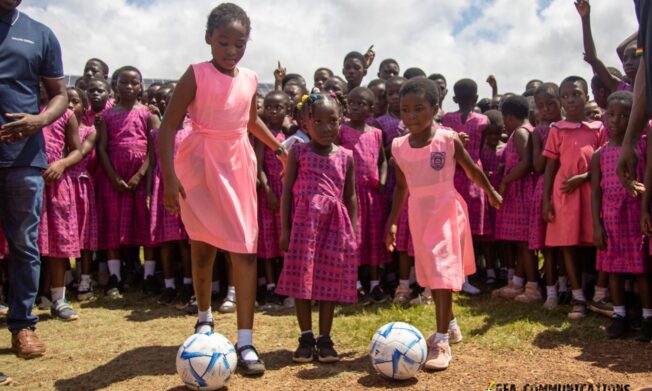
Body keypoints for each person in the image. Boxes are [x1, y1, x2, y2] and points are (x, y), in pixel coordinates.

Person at [158, 3, 288, 376]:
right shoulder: (195, 74)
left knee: (245, 251)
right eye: (223, 43)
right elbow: (167, 127)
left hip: (236, 165)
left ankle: (245, 341)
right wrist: (169, 178)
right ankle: (204, 318)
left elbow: (250, 121)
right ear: (208, 39)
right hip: (198, 166)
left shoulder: (249, 78)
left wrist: (279, 149)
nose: (231, 52)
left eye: (239, 44)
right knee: (202, 250)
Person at [386, 78, 502, 370]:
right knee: (429, 273)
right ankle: (449, 325)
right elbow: (401, 187)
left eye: (419, 109)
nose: (411, 116)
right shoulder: (398, 146)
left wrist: (490, 191)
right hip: (418, 213)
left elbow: (472, 169)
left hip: (446, 211)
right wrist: (392, 222)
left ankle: (441, 341)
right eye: (405, 109)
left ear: (436, 108)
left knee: (441, 272)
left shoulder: (447, 139)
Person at [0, 0, 68, 360]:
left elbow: (60, 94)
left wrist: (39, 121)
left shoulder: (39, 34)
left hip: (23, 159)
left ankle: (23, 325)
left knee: (24, 245)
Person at [276, 92, 357, 363]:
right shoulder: (298, 151)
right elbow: (287, 191)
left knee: (328, 281)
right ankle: (306, 336)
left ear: (341, 121)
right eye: (318, 121)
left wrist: (353, 232)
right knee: (301, 281)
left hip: (334, 226)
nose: (326, 128)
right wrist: (285, 229)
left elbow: (351, 196)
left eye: (332, 121)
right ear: (305, 122)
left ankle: (325, 339)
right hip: (303, 225)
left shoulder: (346, 156)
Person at [542, 76, 606, 320]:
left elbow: (604, 162)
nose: (571, 100)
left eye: (576, 94)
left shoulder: (598, 129)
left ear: (586, 97)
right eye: (565, 96)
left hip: (591, 191)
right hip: (564, 192)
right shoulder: (556, 129)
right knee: (568, 243)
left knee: (595, 242)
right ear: (561, 101)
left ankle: (599, 295)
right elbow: (550, 166)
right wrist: (547, 200)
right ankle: (578, 297)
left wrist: (585, 177)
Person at [96, 66, 160, 297]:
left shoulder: (147, 114)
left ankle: (149, 276)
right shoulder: (107, 116)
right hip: (114, 176)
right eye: (124, 82)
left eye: (134, 83)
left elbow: (154, 150)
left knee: (145, 224)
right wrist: (114, 177)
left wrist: (140, 175)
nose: (129, 87)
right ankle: (115, 277)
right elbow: (101, 148)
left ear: (141, 86)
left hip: (140, 177)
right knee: (113, 225)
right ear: (115, 85)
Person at [594, 91, 650, 339]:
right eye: (612, 114)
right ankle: (619, 315)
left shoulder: (642, 146)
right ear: (604, 116)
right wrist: (597, 225)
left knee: (641, 271)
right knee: (613, 269)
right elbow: (595, 192)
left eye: (624, 115)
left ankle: (648, 317)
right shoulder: (600, 155)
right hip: (611, 219)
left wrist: (645, 210)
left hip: (636, 215)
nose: (616, 120)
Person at [339, 87, 388, 303]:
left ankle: (375, 284)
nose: (355, 106)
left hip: (372, 194)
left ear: (370, 108)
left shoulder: (376, 133)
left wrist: (383, 180)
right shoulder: (341, 131)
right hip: (350, 194)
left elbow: (383, 160)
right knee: (354, 239)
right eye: (352, 103)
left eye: (361, 103)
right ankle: (355, 283)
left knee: (373, 238)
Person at [442, 78, 490, 294]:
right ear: (476, 98)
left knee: (459, 228)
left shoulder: (449, 118)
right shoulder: (481, 119)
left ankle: (463, 276)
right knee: (462, 228)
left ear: (454, 98)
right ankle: (462, 277)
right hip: (465, 176)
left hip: (459, 176)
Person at [492, 95, 539, 303]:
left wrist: (505, 181)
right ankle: (519, 282)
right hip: (520, 191)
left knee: (525, 243)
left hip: (522, 192)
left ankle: (533, 287)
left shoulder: (520, 132)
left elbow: (526, 162)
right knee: (522, 243)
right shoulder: (526, 130)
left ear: (509, 117)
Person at [148, 86, 192, 305]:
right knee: (166, 241)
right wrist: (149, 193)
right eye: (167, 100)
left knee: (186, 240)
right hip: (162, 186)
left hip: (187, 189)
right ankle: (168, 284)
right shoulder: (156, 134)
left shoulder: (192, 132)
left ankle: (187, 282)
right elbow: (152, 164)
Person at [529, 83, 566, 309]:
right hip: (545, 188)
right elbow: (537, 165)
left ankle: (566, 287)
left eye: (550, 103)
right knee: (549, 246)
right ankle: (551, 292)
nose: (546, 109)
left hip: (567, 187)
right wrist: (549, 142)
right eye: (541, 106)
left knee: (567, 244)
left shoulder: (570, 127)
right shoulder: (539, 132)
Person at [255, 90, 291, 306]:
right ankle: (270, 286)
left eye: (278, 107)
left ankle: (287, 286)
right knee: (269, 242)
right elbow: (258, 167)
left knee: (285, 242)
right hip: (269, 195)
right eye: (269, 107)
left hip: (287, 193)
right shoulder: (262, 135)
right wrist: (268, 191)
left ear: (287, 110)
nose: (273, 111)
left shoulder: (290, 134)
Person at [66, 87, 98, 301]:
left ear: (84, 107)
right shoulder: (54, 129)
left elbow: (80, 153)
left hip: (81, 185)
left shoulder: (90, 131)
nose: (69, 105)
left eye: (75, 101)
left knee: (84, 235)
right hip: (59, 184)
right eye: (66, 101)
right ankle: (67, 278)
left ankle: (85, 279)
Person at [576, 0, 639, 93]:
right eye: (625, 59)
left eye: (635, 57)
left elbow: (621, 49)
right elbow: (591, 58)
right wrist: (585, 17)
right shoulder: (623, 89)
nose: (628, 63)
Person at [478, 110, 505, 285]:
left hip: (502, 198)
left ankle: (502, 267)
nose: (494, 137)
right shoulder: (481, 151)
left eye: (498, 133)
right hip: (486, 199)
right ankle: (489, 271)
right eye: (490, 134)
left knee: (501, 238)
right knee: (488, 239)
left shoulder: (505, 149)